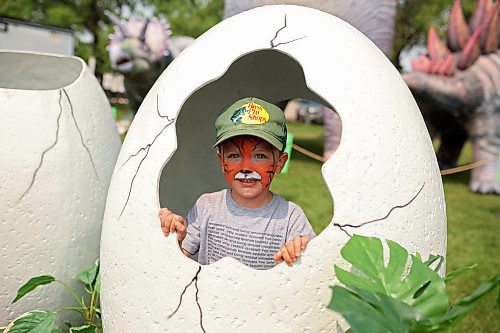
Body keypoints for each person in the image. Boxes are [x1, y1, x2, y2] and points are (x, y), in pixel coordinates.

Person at [159, 97, 316, 270]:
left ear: (280, 162)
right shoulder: (207, 206)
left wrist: (303, 251)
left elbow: (314, 268)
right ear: (221, 160)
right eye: (235, 156)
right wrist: (172, 235)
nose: (246, 167)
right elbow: (176, 265)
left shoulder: (291, 218)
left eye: (260, 156)